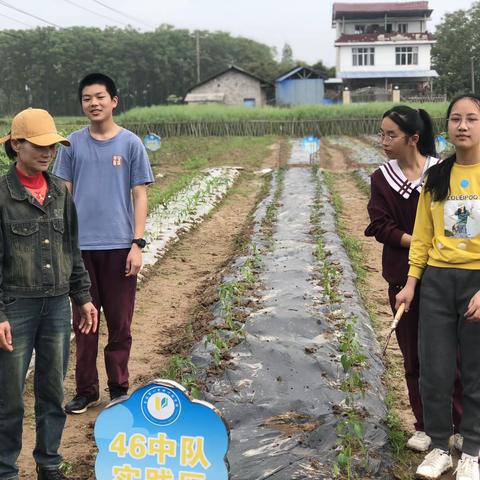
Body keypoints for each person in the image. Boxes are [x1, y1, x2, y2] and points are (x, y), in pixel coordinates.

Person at [0, 108, 98, 480]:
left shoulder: (59, 192)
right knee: (8, 398)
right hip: (16, 305)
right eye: (39, 145)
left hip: (57, 305)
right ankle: (6, 470)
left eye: (53, 146)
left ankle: (49, 464)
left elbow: (72, 250)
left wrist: (83, 296)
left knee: (52, 391)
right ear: (16, 145)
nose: (48, 152)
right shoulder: (2, 195)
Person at [53, 73, 154, 414]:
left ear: (114, 100)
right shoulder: (71, 145)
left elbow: (140, 195)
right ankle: (86, 390)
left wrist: (137, 243)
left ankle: (118, 388)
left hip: (119, 248)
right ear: (82, 104)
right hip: (81, 250)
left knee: (120, 323)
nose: (93, 103)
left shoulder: (130, 144)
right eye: (86, 98)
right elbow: (62, 195)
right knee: (84, 323)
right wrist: (63, 243)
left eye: (100, 97)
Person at [365, 105, 463, 453]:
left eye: (391, 134)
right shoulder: (382, 178)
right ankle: (424, 426)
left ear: (414, 138)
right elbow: (378, 225)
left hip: (443, 274)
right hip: (402, 277)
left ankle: (459, 424)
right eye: (382, 133)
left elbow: (457, 221)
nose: (383, 141)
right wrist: (417, 240)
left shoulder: (442, 174)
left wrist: (439, 243)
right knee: (414, 357)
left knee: (452, 356)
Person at [396, 94, 480, 480]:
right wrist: (412, 283)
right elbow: (424, 237)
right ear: (446, 126)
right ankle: (439, 446)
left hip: (476, 282)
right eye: (456, 119)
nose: (462, 126)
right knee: (435, 369)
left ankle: (473, 451)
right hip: (437, 282)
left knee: (476, 371)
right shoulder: (437, 177)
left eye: (472, 119)